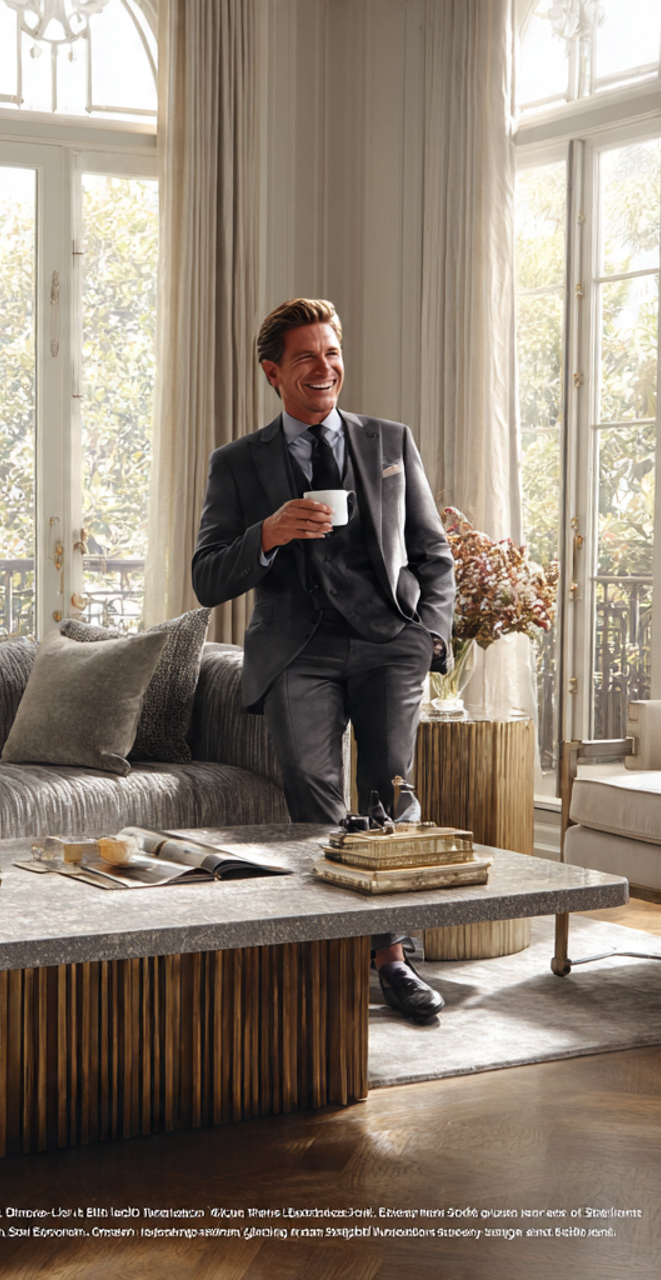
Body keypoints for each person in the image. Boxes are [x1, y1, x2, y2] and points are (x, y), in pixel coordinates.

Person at [191, 298, 456, 1023]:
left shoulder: (390, 442)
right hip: (296, 649)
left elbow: (433, 552)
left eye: (332, 353)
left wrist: (428, 635)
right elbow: (208, 575)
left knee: (389, 795)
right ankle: (338, 953)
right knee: (313, 793)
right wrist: (269, 532)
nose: (325, 367)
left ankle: (392, 960)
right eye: (306, 356)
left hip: (387, 642)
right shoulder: (239, 463)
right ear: (274, 373)